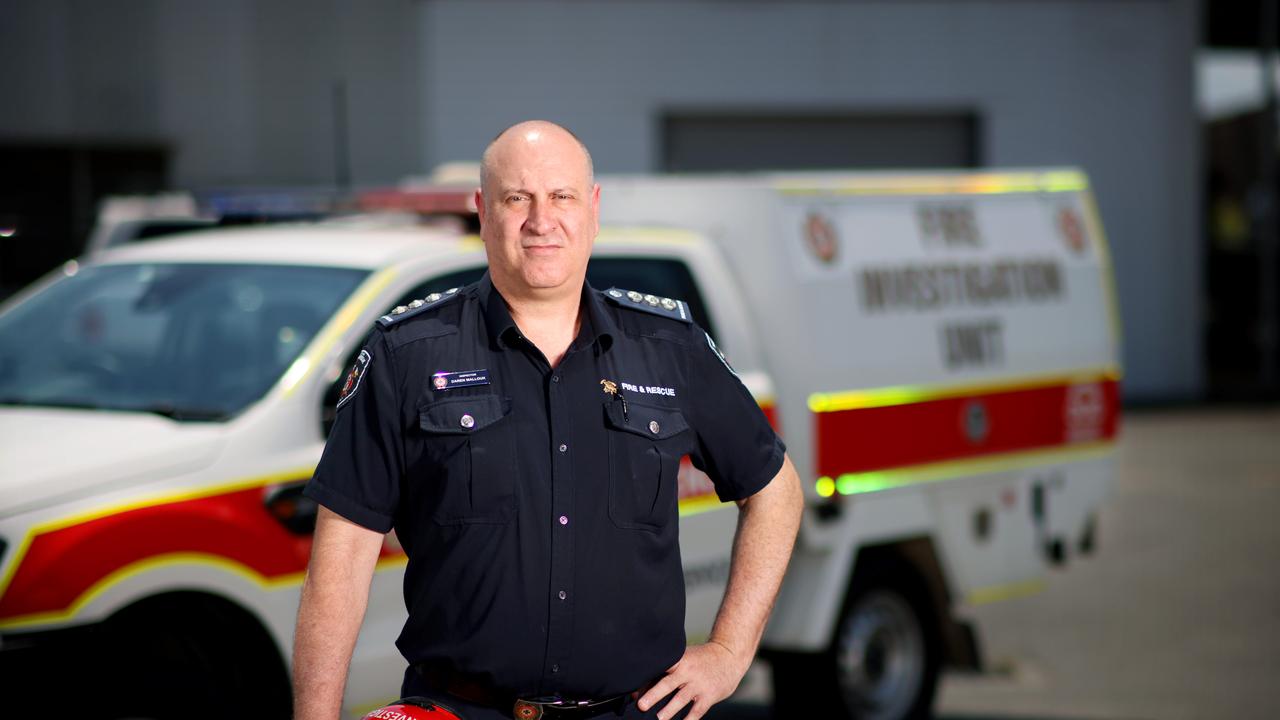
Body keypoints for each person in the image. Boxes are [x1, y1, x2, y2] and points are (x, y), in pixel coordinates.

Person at [292, 120, 804, 720]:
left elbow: (777, 492)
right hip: (462, 708)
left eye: (560, 196)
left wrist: (729, 652)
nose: (541, 220)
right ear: (483, 211)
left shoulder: (671, 347)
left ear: (592, 209)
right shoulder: (407, 356)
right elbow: (343, 555)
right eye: (518, 198)